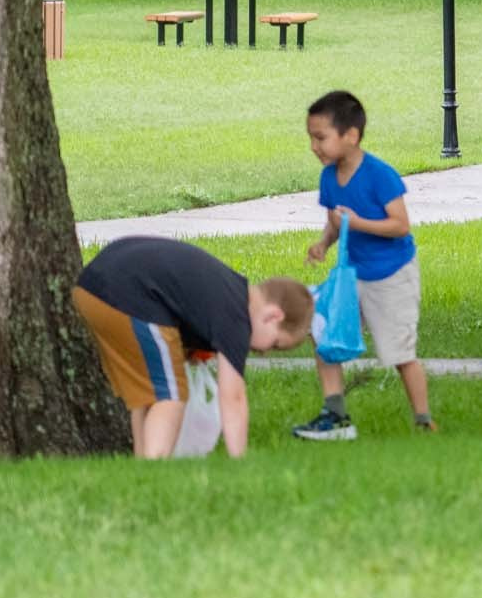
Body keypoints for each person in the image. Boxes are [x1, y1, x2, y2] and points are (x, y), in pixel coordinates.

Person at [71, 237, 312, 459]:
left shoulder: (230, 290)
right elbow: (233, 397)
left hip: (91, 288)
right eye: (276, 344)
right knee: (170, 395)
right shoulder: (238, 317)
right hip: (128, 297)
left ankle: (142, 464)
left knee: (147, 394)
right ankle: (153, 470)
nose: (265, 351)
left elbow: (185, 303)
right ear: (273, 316)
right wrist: (239, 459)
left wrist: (192, 347)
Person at [292, 90, 436, 441]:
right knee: (324, 332)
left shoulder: (379, 175)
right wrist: (323, 243)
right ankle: (335, 415)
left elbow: (400, 225)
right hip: (351, 275)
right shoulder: (329, 177)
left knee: (399, 352)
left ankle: (423, 421)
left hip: (391, 274)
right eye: (311, 138)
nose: (314, 146)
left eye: (321, 138)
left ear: (351, 136)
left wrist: (358, 224)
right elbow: (335, 220)